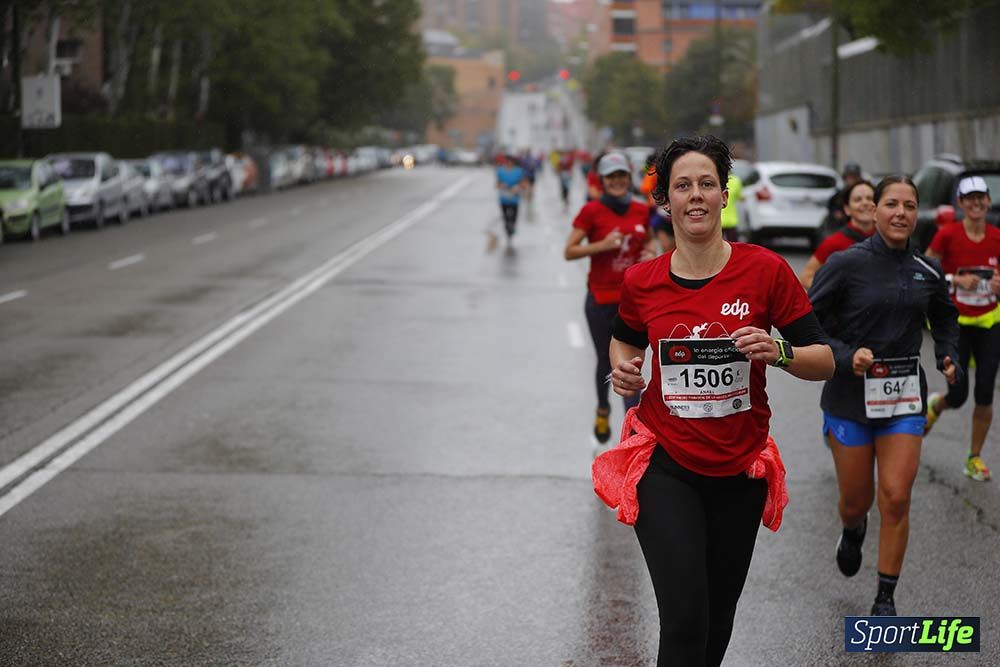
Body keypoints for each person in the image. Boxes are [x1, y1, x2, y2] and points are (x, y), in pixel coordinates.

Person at [592, 135, 834, 667]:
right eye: (682, 186)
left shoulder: (765, 271)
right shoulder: (643, 281)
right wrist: (624, 366)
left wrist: (779, 350)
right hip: (665, 464)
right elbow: (625, 336)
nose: (695, 195)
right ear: (666, 200)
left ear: (724, 196)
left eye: (706, 184)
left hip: (739, 470)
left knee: (716, 626)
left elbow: (824, 359)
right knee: (684, 621)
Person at [809, 175, 961, 616]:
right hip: (849, 398)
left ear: (917, 215)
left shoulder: (928, 270)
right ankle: (853, 528)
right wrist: (844, 355)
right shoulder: (845, 264)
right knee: (857, 500)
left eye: (909, 206)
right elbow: (808, 322)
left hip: (901, 397)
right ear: (873, 211)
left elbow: (945, 319)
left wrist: (948, 355)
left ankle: (884, 598)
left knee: (896, 494)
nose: (900, 213)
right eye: (891, 204)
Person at [564, 151, 655, 446]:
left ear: (629, 178)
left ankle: (631, 430)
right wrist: (602, 245)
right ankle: (603, 408)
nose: (617, 181)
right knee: (607, 359)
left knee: (632, 363)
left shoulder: (641, 211)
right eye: (611, 177)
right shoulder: (591, 212)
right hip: (601, 300)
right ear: (603, 181)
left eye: (621, 176)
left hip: (633, 302)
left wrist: (650, 254)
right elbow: (570, 251)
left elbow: (650, 242)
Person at [923, 175, 1000, 481]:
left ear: (988, 202)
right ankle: (937, 404)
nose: (977, 202)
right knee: (958, 395)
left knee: (984, 393)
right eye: (970, 198)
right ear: (961, 203)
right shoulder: (947, 235)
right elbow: (927, 269)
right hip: (956, 323)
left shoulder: (996, 236)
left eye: (981, 197)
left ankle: (974, 457)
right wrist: (955, 280)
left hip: (990, 320)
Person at [799, 180, 876, 289]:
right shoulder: (833, 242)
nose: (865, 203)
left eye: (870, 198)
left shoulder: (888, 239)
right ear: (847, 209)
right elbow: (806, 277)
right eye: (857, 199)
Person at [639, 157, 674, 253]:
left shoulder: (678, 170)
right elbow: (645, 188)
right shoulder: (654, 171)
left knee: (677, 248)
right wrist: (653, 200)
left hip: (677, 217)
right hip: (661, 216)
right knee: (667, 248)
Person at [825, 162, 864, 232]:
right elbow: (831, 209)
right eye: (849, 177)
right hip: (841, 228)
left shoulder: (864, 194)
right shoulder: (838, 195)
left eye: (854, 177)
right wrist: (835, 213)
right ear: (845, 178)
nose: (851, 180)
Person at [495, 154, 523, 241]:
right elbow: (497, 183)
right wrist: (501, 185)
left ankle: (512, 227)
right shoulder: (500, 171)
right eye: (507, 162)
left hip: (515, 197)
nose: (509, 164)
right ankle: (508, 230)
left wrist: (517, 187)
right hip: (504, 197)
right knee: (505, 216)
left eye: (511, 162)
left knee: (514, 215)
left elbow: (522, 183)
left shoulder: (518, 171)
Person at [720, 172, 742, 242]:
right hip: (731, 221)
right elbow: (740, 197)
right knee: (734, 246)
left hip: (718, 221)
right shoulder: (736, 181)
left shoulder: (716, 181)